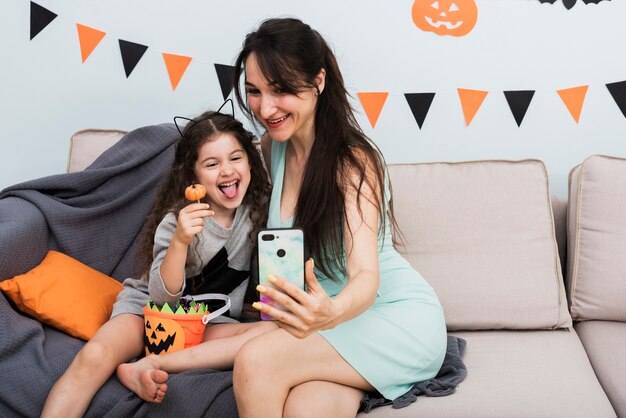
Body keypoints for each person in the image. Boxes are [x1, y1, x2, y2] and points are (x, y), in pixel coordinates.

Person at [229, 17, 448, 418]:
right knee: (305, 408)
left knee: (255, 360)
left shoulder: (352, 161)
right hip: (323, 324)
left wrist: (330, 312)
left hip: (388, 316)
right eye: (255, 92)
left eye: (281, 90)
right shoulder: (270, 148)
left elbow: (365, 273)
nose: (265, 107)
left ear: (318, 82)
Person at [41, 111, 275, 418]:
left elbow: (280, 147)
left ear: (250, 162)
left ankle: (143, 367)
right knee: (95, 355)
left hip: (205, 323)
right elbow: (164, 298)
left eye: (236, 158)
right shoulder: (177, 221)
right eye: (212, 164)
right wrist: (180, 241)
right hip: (147, 312)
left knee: (272, 334)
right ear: (194, 177)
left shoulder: (259, 212)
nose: (227, 171)